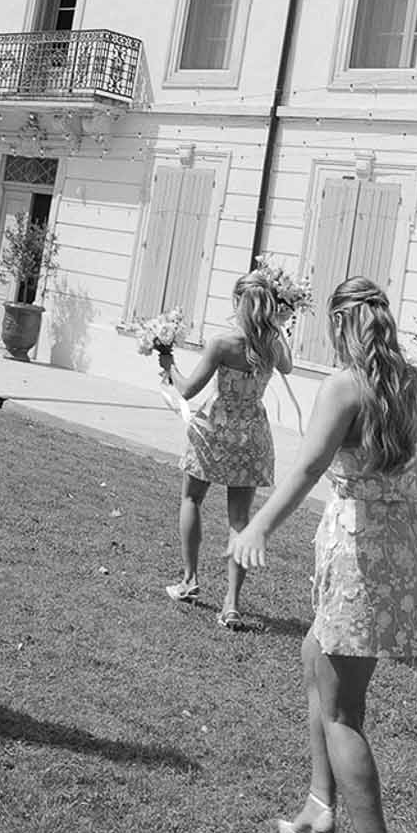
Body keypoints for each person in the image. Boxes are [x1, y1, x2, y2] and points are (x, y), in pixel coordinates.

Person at [228, 276, 417, 833]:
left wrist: (258, 526)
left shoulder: (345, 386)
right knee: (313, 649)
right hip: (412, 554)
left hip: (365, 558)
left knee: (344, 709)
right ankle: (322, 805)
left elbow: (307, 470)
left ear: (340, 326)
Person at [162, 270, 293, 630]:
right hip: (251, 435)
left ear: (237, 302)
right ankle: (232, 603)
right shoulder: (272, 345)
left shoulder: (223, 343)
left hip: (214, 431)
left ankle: (189, 580)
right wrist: (278, 326)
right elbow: (289, 366)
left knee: (192, 500)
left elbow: (187, 390)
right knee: (240, 520)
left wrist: (168, 366)